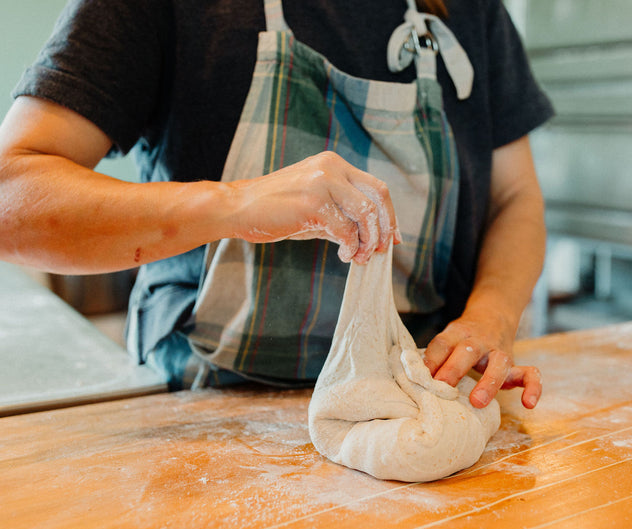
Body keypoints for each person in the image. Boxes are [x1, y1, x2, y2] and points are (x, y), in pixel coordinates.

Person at [0, 0, 553, 410]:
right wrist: (235, 204)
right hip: (202, 400)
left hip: (424, 389)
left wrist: (492, 317)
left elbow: (515, 199)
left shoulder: (470, 9)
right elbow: (11, 196)